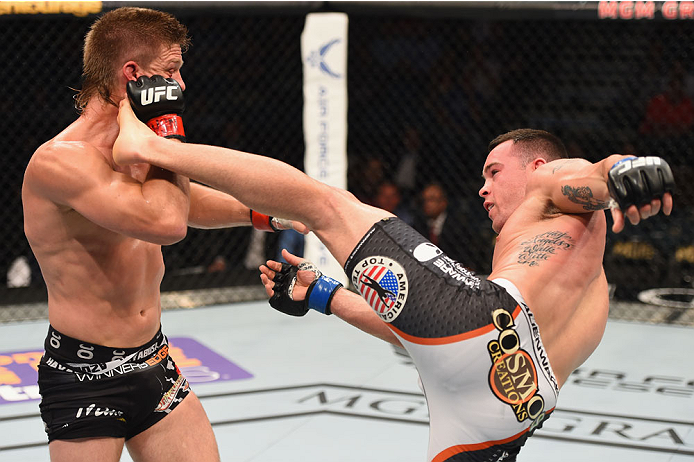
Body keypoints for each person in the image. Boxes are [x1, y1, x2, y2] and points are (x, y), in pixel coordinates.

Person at [112, 101, 674, 460]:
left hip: (488, 332)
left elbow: (593, 173)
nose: (481, 189)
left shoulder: (550, 179)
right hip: (513, 410)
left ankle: (155, 146)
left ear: (534, 167)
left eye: (493, 172)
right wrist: (324, 294)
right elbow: (436, 337)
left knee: (326, 204)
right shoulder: (586, 284)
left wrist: (620, 170)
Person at [22, 7, 304, 462]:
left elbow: (174, 201)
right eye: (171, 70)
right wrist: (169, 131)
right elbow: (166, 221)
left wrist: (267, 215)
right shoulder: (62, 161)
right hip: (84, 375)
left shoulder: (135, 148)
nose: (181, 84)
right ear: (133, 74)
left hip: (154, 361)